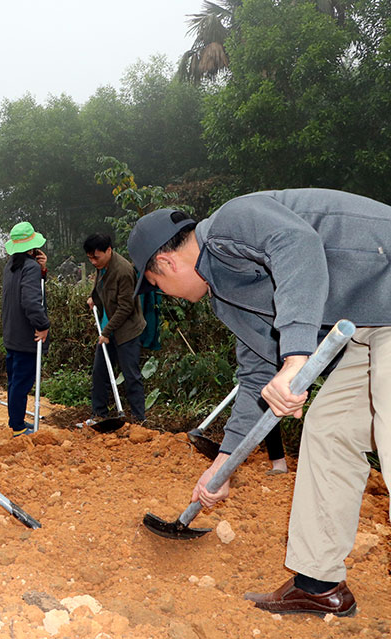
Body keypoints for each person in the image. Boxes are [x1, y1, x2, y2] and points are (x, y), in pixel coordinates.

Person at [127, 189, 391, 617]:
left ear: (167, 263)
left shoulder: (230, 223)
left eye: (156, 285)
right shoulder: (227, 296)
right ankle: (318, 584)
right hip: (368, 325)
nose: (164, 294)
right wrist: (223, 464)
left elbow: (298, 244)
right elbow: (256, 375)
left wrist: (296, 357)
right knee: (329, 429)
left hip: (385, 293)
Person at [82, 233, 146, 425]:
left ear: (108, 250)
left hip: (126, 331)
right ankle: (99, 414)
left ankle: (139, 420)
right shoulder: (102, 266)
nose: (93, 262)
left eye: (96, 257)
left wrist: (106, 332)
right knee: (99, 373)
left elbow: (126, 307)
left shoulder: (123, 271)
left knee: (131, 375)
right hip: (107, 328)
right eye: (90, 258)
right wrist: (94, 298)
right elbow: (101, 287)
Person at [1, 222, 50, 437]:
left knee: (15, 381)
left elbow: (30, 289)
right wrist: (43, 325)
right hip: (25, 335)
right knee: (22, 383)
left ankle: (16, 421)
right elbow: (31, 301)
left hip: (11, 332)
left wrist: (43, 271)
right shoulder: (30, 267)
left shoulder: (11, 265)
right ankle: (18, 428)